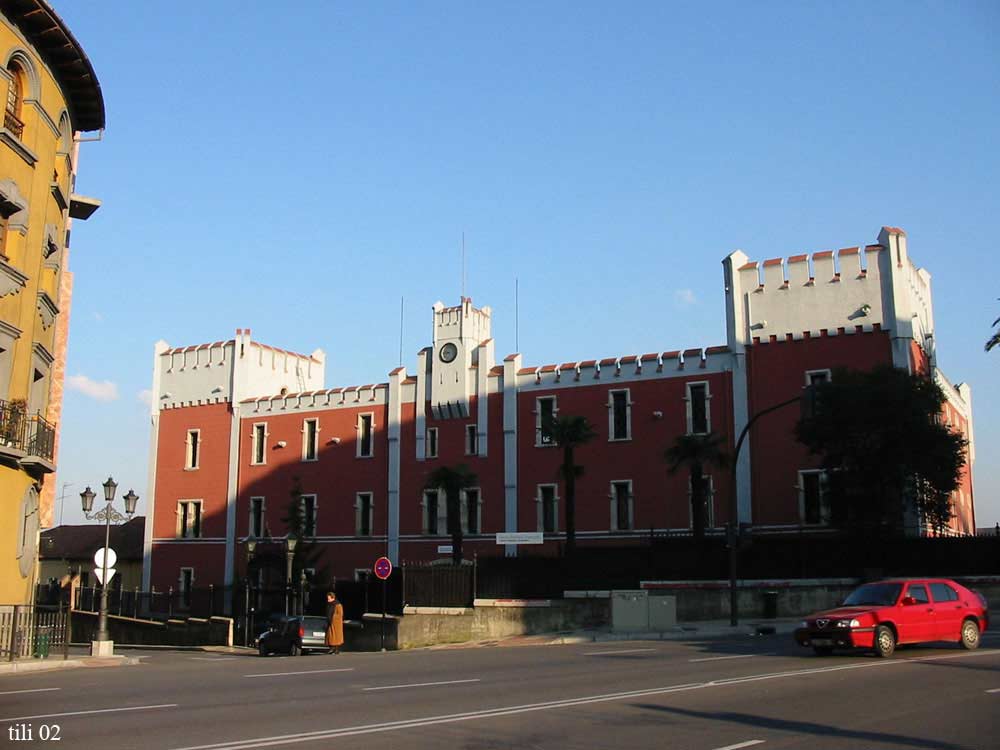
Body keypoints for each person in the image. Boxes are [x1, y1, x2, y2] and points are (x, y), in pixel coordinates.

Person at [325, 590, 344, 655]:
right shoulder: (329, 605)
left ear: (332, 597)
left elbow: (340, 614)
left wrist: (333, 618)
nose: (327, 599)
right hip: (330, 623)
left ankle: (334, 649)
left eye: (329, 598)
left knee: (335, 637)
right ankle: (333, 648)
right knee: (330, 636)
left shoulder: (338, 605)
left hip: (336, 624)